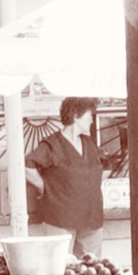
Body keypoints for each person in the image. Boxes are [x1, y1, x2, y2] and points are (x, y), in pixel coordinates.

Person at [25, 96, 104, 256]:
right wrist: (43, 186)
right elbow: (27, 166)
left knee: (92, 269)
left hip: (91, 217)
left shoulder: (88, 143)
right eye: (89, 116)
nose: (91, 121)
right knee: (60, 267)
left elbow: (102, 167)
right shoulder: (52, 144)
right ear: (75, 116)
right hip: (60, 216)